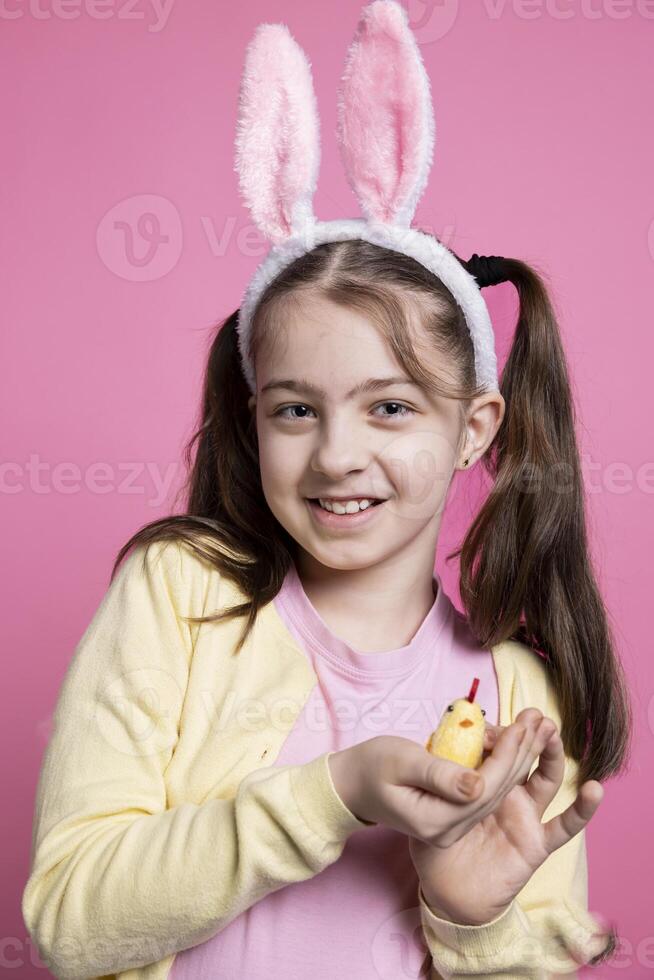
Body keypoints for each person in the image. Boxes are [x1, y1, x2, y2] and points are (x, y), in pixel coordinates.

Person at [22, 2, 631, 978]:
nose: (337, 454)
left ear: (474, 428)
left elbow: (531, 958)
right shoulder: (181, 594)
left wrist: (468, 916)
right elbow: (68, 914)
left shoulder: (517, 687)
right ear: (252, 413)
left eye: (389, 408)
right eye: (296, 410)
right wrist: (332, 791)